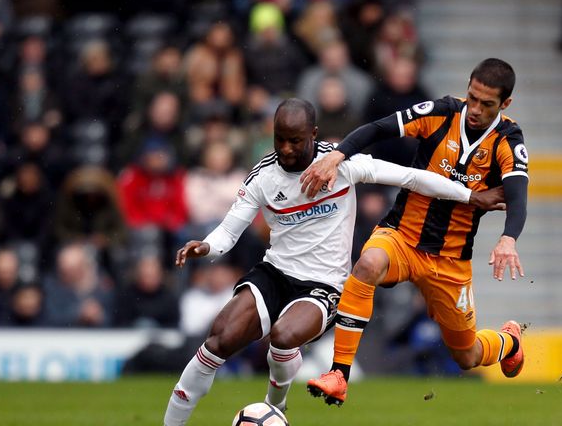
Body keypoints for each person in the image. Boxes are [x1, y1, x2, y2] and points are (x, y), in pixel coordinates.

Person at [162, 98, 505, 425]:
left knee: (283, 336)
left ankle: (275, 407)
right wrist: (205, 247)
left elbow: (411, 177)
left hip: (324, 285)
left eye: (295, 141)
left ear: (313, 135)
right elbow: (228, 232)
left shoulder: (342, 165)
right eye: (280, 139)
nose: (286, 149)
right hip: (275, 273)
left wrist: (471, 195)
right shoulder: (263, 176)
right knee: (218, 340)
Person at [303, 58, 529, 406]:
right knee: (366, 264)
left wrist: (508, 238)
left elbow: (517, 195)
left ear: (505, 104)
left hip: (451, 261)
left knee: (466, 357)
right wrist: (338, 155)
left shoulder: (508, 139)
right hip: (402, 236)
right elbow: (378, 128)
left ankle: (509, 341)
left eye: (487, 104)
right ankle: (339, 374)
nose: (475, 109)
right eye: (473, 98)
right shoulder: (440, 112)